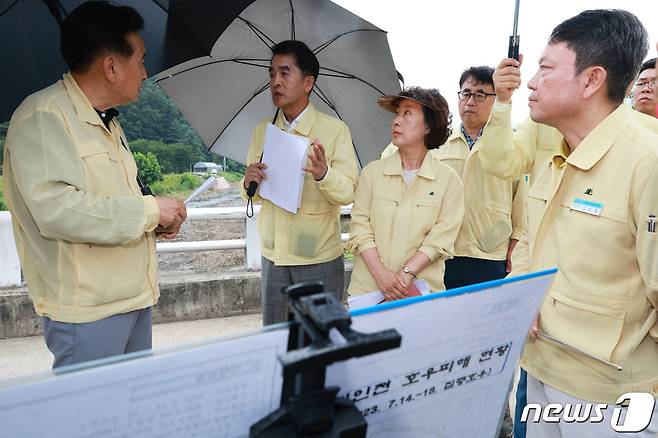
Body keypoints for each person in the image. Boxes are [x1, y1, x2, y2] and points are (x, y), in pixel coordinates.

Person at [492, 10, 658, 437]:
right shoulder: (557, 156)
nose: (530, 82)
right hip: (542, 370)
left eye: (545, 69)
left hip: (612, 396)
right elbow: (529, 238)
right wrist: (523, 294)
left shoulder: (647, 162)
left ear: (591, 80)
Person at [2, 1, 186, 368]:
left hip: (133, 300)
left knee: (129, 419)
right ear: (112, 66)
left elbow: (117, 201)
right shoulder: (43, 117)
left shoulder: (108, 123)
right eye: (141, 60)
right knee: (89, 423)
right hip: (88, 312)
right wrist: (150, 210)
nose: (145, 73)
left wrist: (158, 220)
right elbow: (58, 211)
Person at [241, 40, 358, 325]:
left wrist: (323, 174)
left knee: (319, 340)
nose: (275, 82)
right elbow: (253, 194)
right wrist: (248, 182)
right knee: (277, 340)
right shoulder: (262, 131)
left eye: (284, 73)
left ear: (308, 82)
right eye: (271, 74)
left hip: (316, 256)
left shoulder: (334, 130)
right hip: (273, 256)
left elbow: (348, 191)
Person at [383, 67, 526, 289]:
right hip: (439, 250)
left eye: (480, 95)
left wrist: (516, 242)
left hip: (488, 251)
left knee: (483, 319)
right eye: (465, 93)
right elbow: (392, 161)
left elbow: (521, 200)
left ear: (497, 99)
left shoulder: (510, 143)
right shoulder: (437, 140)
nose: (470, 102)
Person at [347, 87, 464, 299]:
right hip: (368, 292)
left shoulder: (448, 180)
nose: (396, 121)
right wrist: (382, 276)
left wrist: (406, 274)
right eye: (397, 114)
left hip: (420, 292)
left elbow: (441, 238)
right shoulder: (371, 173)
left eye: (407, 113)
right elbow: (359, 228)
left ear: (428, 126)